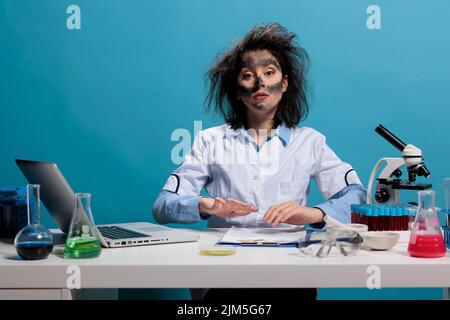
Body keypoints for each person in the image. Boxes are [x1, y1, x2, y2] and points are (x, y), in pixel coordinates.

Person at [153, 23, 366, 300]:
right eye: (248, 75)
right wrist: (205, 205)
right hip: (223, 274)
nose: (260, 83)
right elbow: (162, 205)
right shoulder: (209, 141)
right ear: (237, 90)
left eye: (269, 72)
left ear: (285, 83)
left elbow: (358, 198)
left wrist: (314, 214)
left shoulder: (310, 142)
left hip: (292, 273)